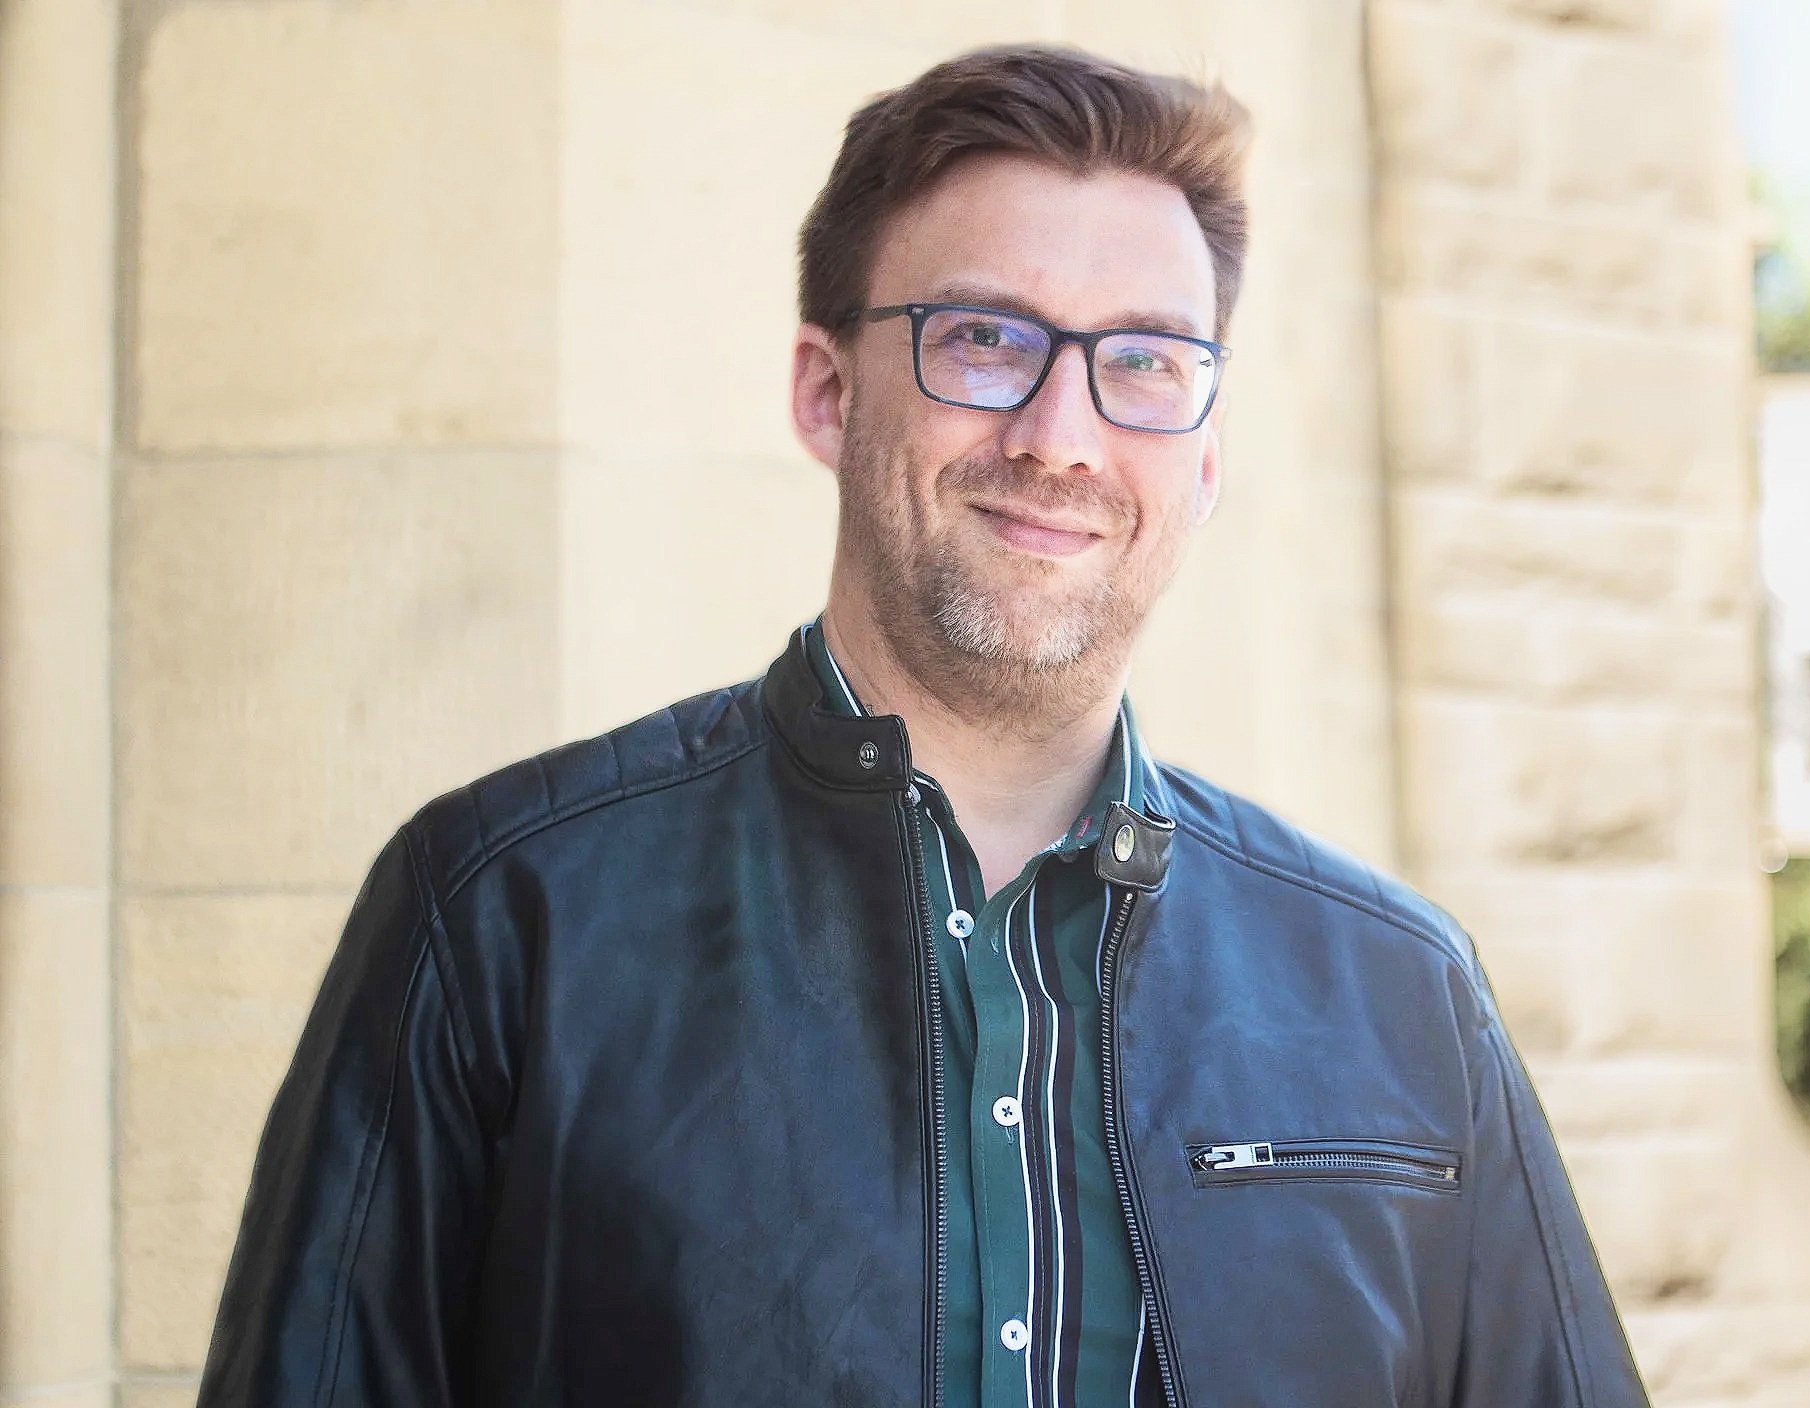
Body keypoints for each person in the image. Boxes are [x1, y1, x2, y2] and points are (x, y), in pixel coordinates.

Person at [196, 42, 1647, 1408]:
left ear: (1205, 457)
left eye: (1145, 361)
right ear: (827, 393)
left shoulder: (1402, 991)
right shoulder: (506, 916)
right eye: (984, 338)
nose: (1060, 437)